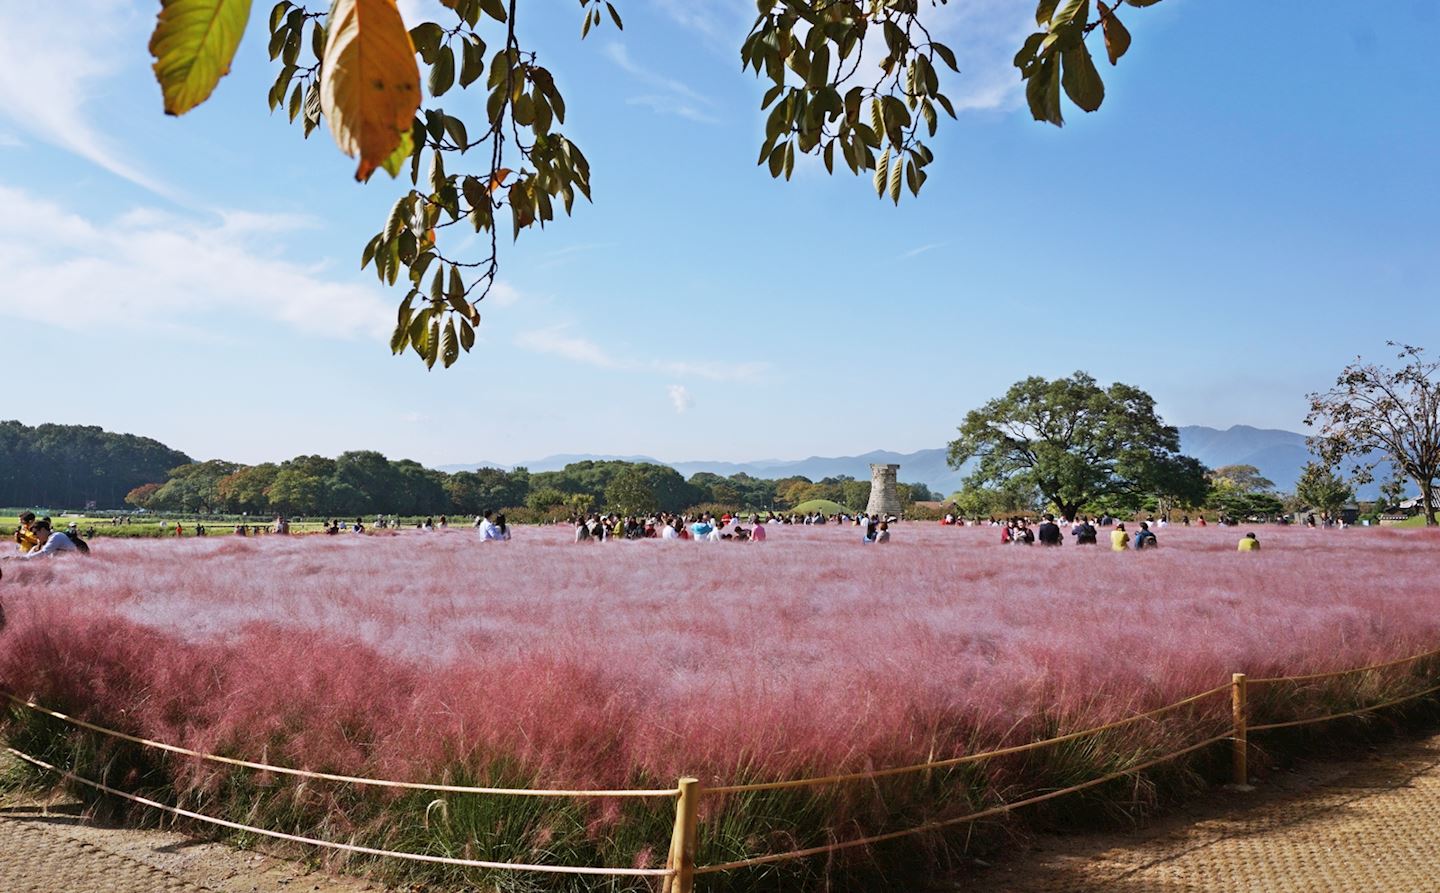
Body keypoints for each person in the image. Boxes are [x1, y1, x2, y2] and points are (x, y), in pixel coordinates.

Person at [16, 519, 83, 558]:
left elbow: (44, 553)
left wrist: (22, 559)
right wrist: (20, 559)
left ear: (43, 530)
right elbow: (30, 555)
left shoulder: (56, 536)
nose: (35, 536)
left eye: (35, 533)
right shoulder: (48, 540)